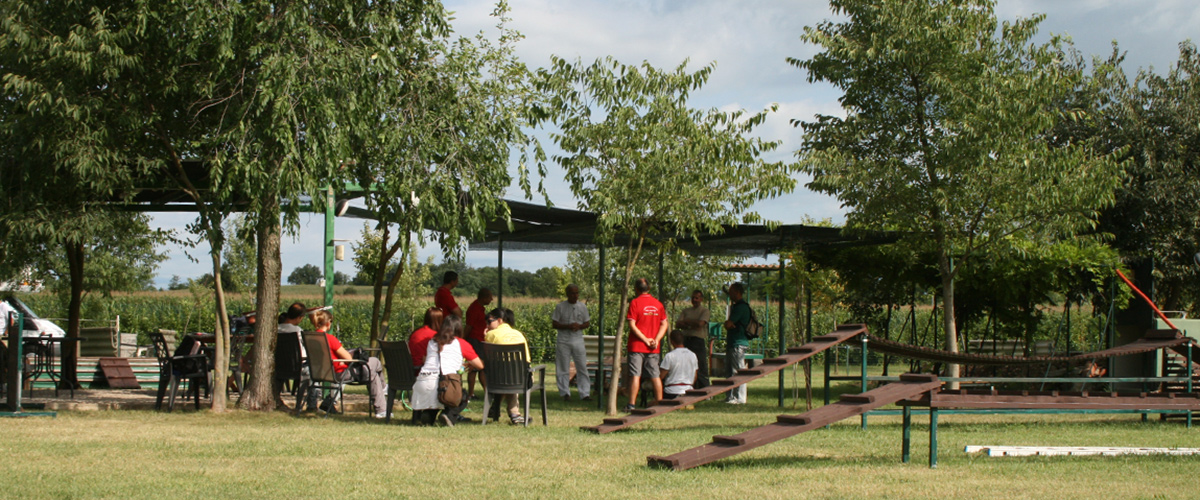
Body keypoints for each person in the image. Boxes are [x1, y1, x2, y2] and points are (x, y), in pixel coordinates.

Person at [309, 309, 387, 418]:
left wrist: (340, 359)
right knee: (374, 365)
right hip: (339, 373)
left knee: (372, 369)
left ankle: (383, 394)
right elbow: (348, 358)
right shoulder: (330, 339)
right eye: (331, 322)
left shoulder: (311, 337)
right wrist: (349, 355)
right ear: (328, 323)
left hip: (322, 373)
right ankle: (382, 405)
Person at [410, 315, 483, 426]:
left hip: (422, 382)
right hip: (444, 384)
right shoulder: (461, 343)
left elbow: (425, 359)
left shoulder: (432, 341)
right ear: (459, 328)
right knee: (462, 396)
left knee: (437, 396)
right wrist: (469, 364)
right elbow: (480, 365)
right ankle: (448, 415)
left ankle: (429, 415)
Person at [624, 278, 667, 412]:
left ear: (636, 289)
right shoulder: (658, 304)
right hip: (653, 347)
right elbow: (664, 323)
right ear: (649, 288)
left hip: (637, 346)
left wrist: (645, 339)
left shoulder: (635, 303)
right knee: (655, 375)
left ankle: (631, 404)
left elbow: (632, 324)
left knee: (635, 374)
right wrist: (656, 339)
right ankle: (659, 402)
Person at [483, 307, 529, 425]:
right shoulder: (519, 334)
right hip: (521, 379)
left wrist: (485, 336)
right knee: (512, 375)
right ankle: (514, 413)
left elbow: (487, 359)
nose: (487, 324)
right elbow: (527, 359)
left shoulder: (491, 335)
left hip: (497, 379)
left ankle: (496, 408)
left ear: (499, 320)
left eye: (489, 321)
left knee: (505, 374)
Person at [552, 284, 591, 401]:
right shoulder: (560, 307)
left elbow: (587, 323)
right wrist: (568, 326)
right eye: (573, 293)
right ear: (567, 294)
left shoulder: (582, 306)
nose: (575, 296)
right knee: (563, 367)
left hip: (577, 338)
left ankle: (585, 393)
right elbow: (554, 323)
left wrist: (579, 326)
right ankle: (564, 393)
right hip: (563, 339)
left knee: (582, 366)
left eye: (577, 293)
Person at [273, 302, 309, 408]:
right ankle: (309, 405)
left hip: (279, 366)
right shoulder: (298, 331)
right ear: (299, 317)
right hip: (298, 366)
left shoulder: (276, 330)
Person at [674, 289, 711, 389]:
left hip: (698, 341)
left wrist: (687, 322)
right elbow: (678, 323)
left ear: (701, 299)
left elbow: (700, 324)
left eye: (697, 298)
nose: (694, 300)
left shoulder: (704, 311)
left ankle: (705, 389)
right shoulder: (686, 311)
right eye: (693, 298)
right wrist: (692, 324)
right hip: (686, 340)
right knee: (686, 365)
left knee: (701, 365)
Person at [723, 282, 751, 404]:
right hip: (733, 343)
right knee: (730, 371)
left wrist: (729, 323)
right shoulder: (737, 306)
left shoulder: (741, 307)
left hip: (738, 343)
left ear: (737, 292)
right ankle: (730, 397)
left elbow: (728, 324)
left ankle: (739, 398)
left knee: (738, 370)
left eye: (731, 291)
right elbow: (728, 324)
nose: (729, 294)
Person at [464, 288, 493, 399]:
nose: (491, 299)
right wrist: (463, 339)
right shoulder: (474, 309)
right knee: (475, 368)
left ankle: (484, 391)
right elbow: (469, 326)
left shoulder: (479, 308)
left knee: (479, 368)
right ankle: (473, 393)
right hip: (475, 340)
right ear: (484, 297)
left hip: (479, 340)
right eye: (490, 297)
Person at [660, 330, 698, 400]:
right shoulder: (693, 355)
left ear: (671, 341)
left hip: (671, 391)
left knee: (652, 403)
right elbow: (695, 376)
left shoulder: (670, 356)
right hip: (688, 390)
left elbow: (661, 376)